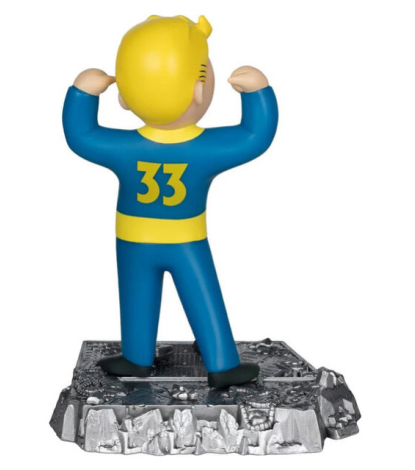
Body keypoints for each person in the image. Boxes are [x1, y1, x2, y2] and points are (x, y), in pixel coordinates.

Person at [62, 15, 278, 388]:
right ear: (199, 89)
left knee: (136, 293)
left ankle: (137, 356)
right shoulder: (206, 149)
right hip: (185, 240)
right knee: (202, 296)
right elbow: (254, 136)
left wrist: (82, 93)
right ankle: (222, 363)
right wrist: (258, 92)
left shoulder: (123, 147)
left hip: (133, 238)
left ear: (124, 96)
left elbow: (81, 135)